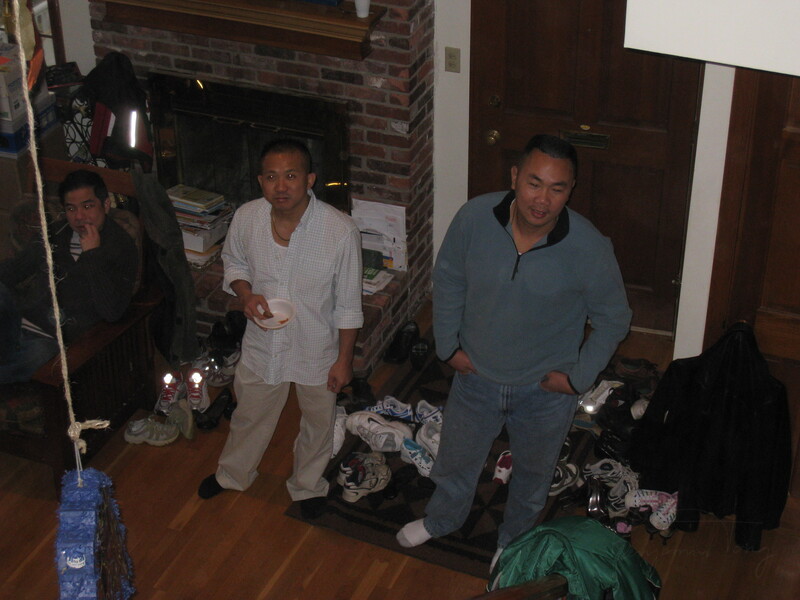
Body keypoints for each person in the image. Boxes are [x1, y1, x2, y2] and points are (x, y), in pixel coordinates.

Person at [396, 134, 632, 566]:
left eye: (556, 188)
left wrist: (577, 378)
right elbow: (449, 278)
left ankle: (514, 542)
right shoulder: (473, 218)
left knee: (533, 475)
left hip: (544, 390)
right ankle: (442, 519)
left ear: (570, 190)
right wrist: (447, 347)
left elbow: (614, 318)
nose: (542, 199)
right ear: (514, 177)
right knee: (456, 459)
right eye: (533, 183)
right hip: (475, 375)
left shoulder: (589, 247)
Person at [198, 139, 363, 520]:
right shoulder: (248, 217)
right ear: (261, 181)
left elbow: (348, 305)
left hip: (316, 346)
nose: (281, 186)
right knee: (249, 414)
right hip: (263, 340)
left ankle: (307, 486)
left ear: (310, 179)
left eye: (291, 176)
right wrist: (245, 294)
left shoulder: (340, 231)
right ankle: (233, 475)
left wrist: (344, 361)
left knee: (318, 423)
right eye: (271, 177)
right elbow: (233, 261)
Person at [0, 169, 139, 384]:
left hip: (53, 339)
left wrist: (92, 254)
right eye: (71, 208)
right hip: (19, 321)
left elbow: (112, 312)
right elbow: (15, 270)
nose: (79, 216)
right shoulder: (56, 233)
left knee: (38, 354)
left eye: (87, 206)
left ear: (105, 205)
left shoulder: (120, 247)